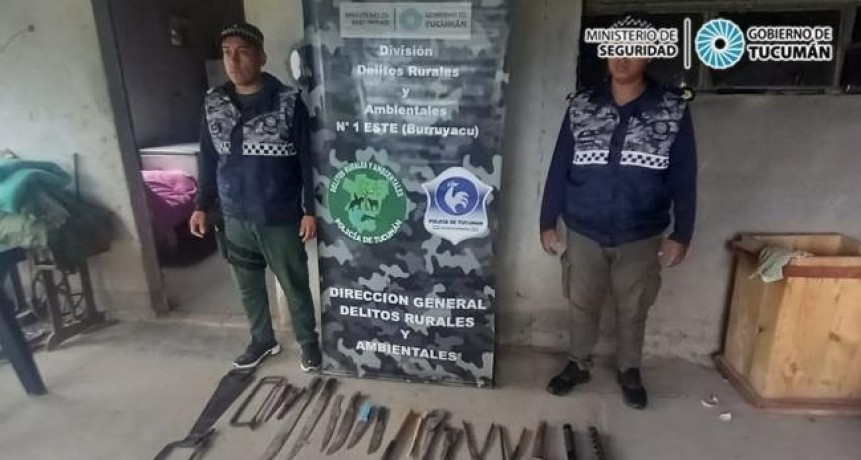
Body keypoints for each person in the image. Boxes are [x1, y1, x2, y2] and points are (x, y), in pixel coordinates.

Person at [539, 14, 697, 409]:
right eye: (614, 49)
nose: (621, 59)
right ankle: (578, 363)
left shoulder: (672, 109)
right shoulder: (581, 105)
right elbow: (559, 166)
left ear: (650, 55)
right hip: (583, 227)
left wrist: (682, 233)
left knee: (633, 306)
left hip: (641, 231)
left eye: (633, 50)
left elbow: (684, 174)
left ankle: (629, 369)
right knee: (581, 302)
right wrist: (547, 220)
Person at [189, 23, 320, 371]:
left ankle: (308, 343)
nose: (233, 61)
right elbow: (207, 157)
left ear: (261, 57)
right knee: (248, 285)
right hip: (234, 215)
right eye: (227, 53)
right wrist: (201, 205)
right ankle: (262, 340)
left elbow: (308, 160)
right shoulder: (214, 102)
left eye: (243, 52)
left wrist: (309, 209)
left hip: (279, 215)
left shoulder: (288, 101)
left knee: (294, 284)